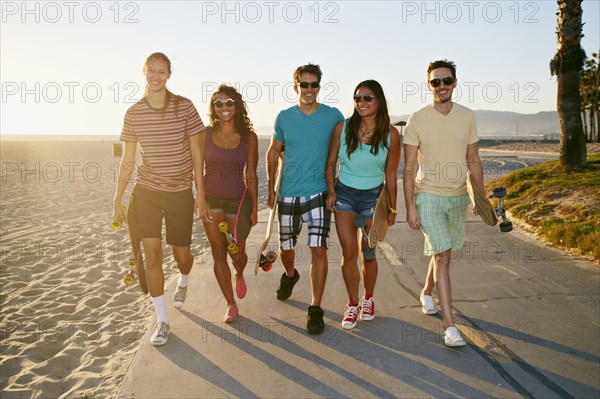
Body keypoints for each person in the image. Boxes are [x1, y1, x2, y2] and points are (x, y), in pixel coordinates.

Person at [112, 52, 205, 346]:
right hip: (147, 192)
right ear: (144, 71)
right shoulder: (134, 113)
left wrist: (200, 194)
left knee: (182, 256)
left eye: (161, 71)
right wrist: (118, 199)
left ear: (169, 74)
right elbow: (128, 160)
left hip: (179, 193)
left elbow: (197, 154)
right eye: (151, 70)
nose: (156, 75)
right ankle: (162, 321)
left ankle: (184, 280)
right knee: (152, 256)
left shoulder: (185, 107)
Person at [403, 59, 483, 347]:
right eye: (435, 82)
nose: (441, 86)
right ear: (428, 85)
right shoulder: (416, 119)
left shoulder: (468, 116)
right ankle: (450, 326)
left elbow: (473, 159)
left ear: (455, 83)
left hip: (459, 195)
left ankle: (426, 291)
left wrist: (480, 197)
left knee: (443, 251)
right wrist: (410, 205)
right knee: (444, 255)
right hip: (429, 195)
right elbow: (409, 167)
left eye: (446, 81)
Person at [266, 63, 344, 335]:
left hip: (319, 191)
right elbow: (273, 152)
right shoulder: (284, 117)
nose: (309, 89)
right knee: (286, 249)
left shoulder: (333, 116)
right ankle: (290, 275)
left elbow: (349, 141)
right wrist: (270, 188)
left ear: (319, 87)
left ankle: (315, 309)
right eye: (304, 84)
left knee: (318, 249)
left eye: (313, 85)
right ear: (295, 87)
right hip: (288, 193)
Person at [325, 80, 401, 330]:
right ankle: (352, 303)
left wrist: (391, 208)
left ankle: (368, 299)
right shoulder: (342, 127)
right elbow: (331, 163)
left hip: (373, 199)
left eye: (367, 98)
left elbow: (391, 174)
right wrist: (332, 191)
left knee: (368, 253)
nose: (361, 102)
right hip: (345, 194)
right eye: (357, 97)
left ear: (379, 101)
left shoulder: (391, 134)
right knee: (349, 254)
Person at [198, 84, 258, 323]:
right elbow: (196, 169)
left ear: (237, 106)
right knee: (219, 251)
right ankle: (231, 304)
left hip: (238, 199)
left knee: (238, 252)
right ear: (213, 108)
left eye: (229, 103)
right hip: (211, 199)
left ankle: (240, 272)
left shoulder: (249, 137)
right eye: (219, 103)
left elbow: (251, 173)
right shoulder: (205, 134)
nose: (224, 108)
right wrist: (199, 198)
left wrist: (253, 207)